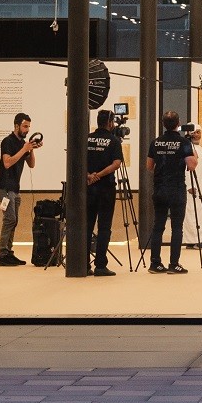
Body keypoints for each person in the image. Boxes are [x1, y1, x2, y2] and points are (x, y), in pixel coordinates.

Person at [145, 110, 196, 273]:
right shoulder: (184, 142)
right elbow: (192, 165)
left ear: (163, 124)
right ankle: (174, 264)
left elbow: (149, 166)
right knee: (177, 227)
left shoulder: (155, 142)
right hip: (176, 189)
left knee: (158, 226)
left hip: (159, 188)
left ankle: (155, 263)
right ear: (178, 124)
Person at [0, 112, 40, 267]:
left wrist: (31, 149)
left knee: (14, 220)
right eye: (25, 126)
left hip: (15, 189)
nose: (27, 130)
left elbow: (32, 165)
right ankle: (2, 253)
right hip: (4, 188)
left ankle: (8, 252)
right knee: (10, 219)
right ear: (16, 126)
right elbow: (7, 163)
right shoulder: (7, 141)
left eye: (28, 127)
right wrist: (24, 149)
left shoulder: (23, 144)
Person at [82, 107, 124, 276]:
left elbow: (79, 160)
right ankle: (100, 265)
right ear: (110, 123)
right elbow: (116, 164)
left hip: (88, 187)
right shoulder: (114, 141)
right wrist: (99, 175)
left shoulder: (87, 138)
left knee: (86, 226)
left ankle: (83, 264)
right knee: (104, 227)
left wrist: (89, 176)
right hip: (106, 188)